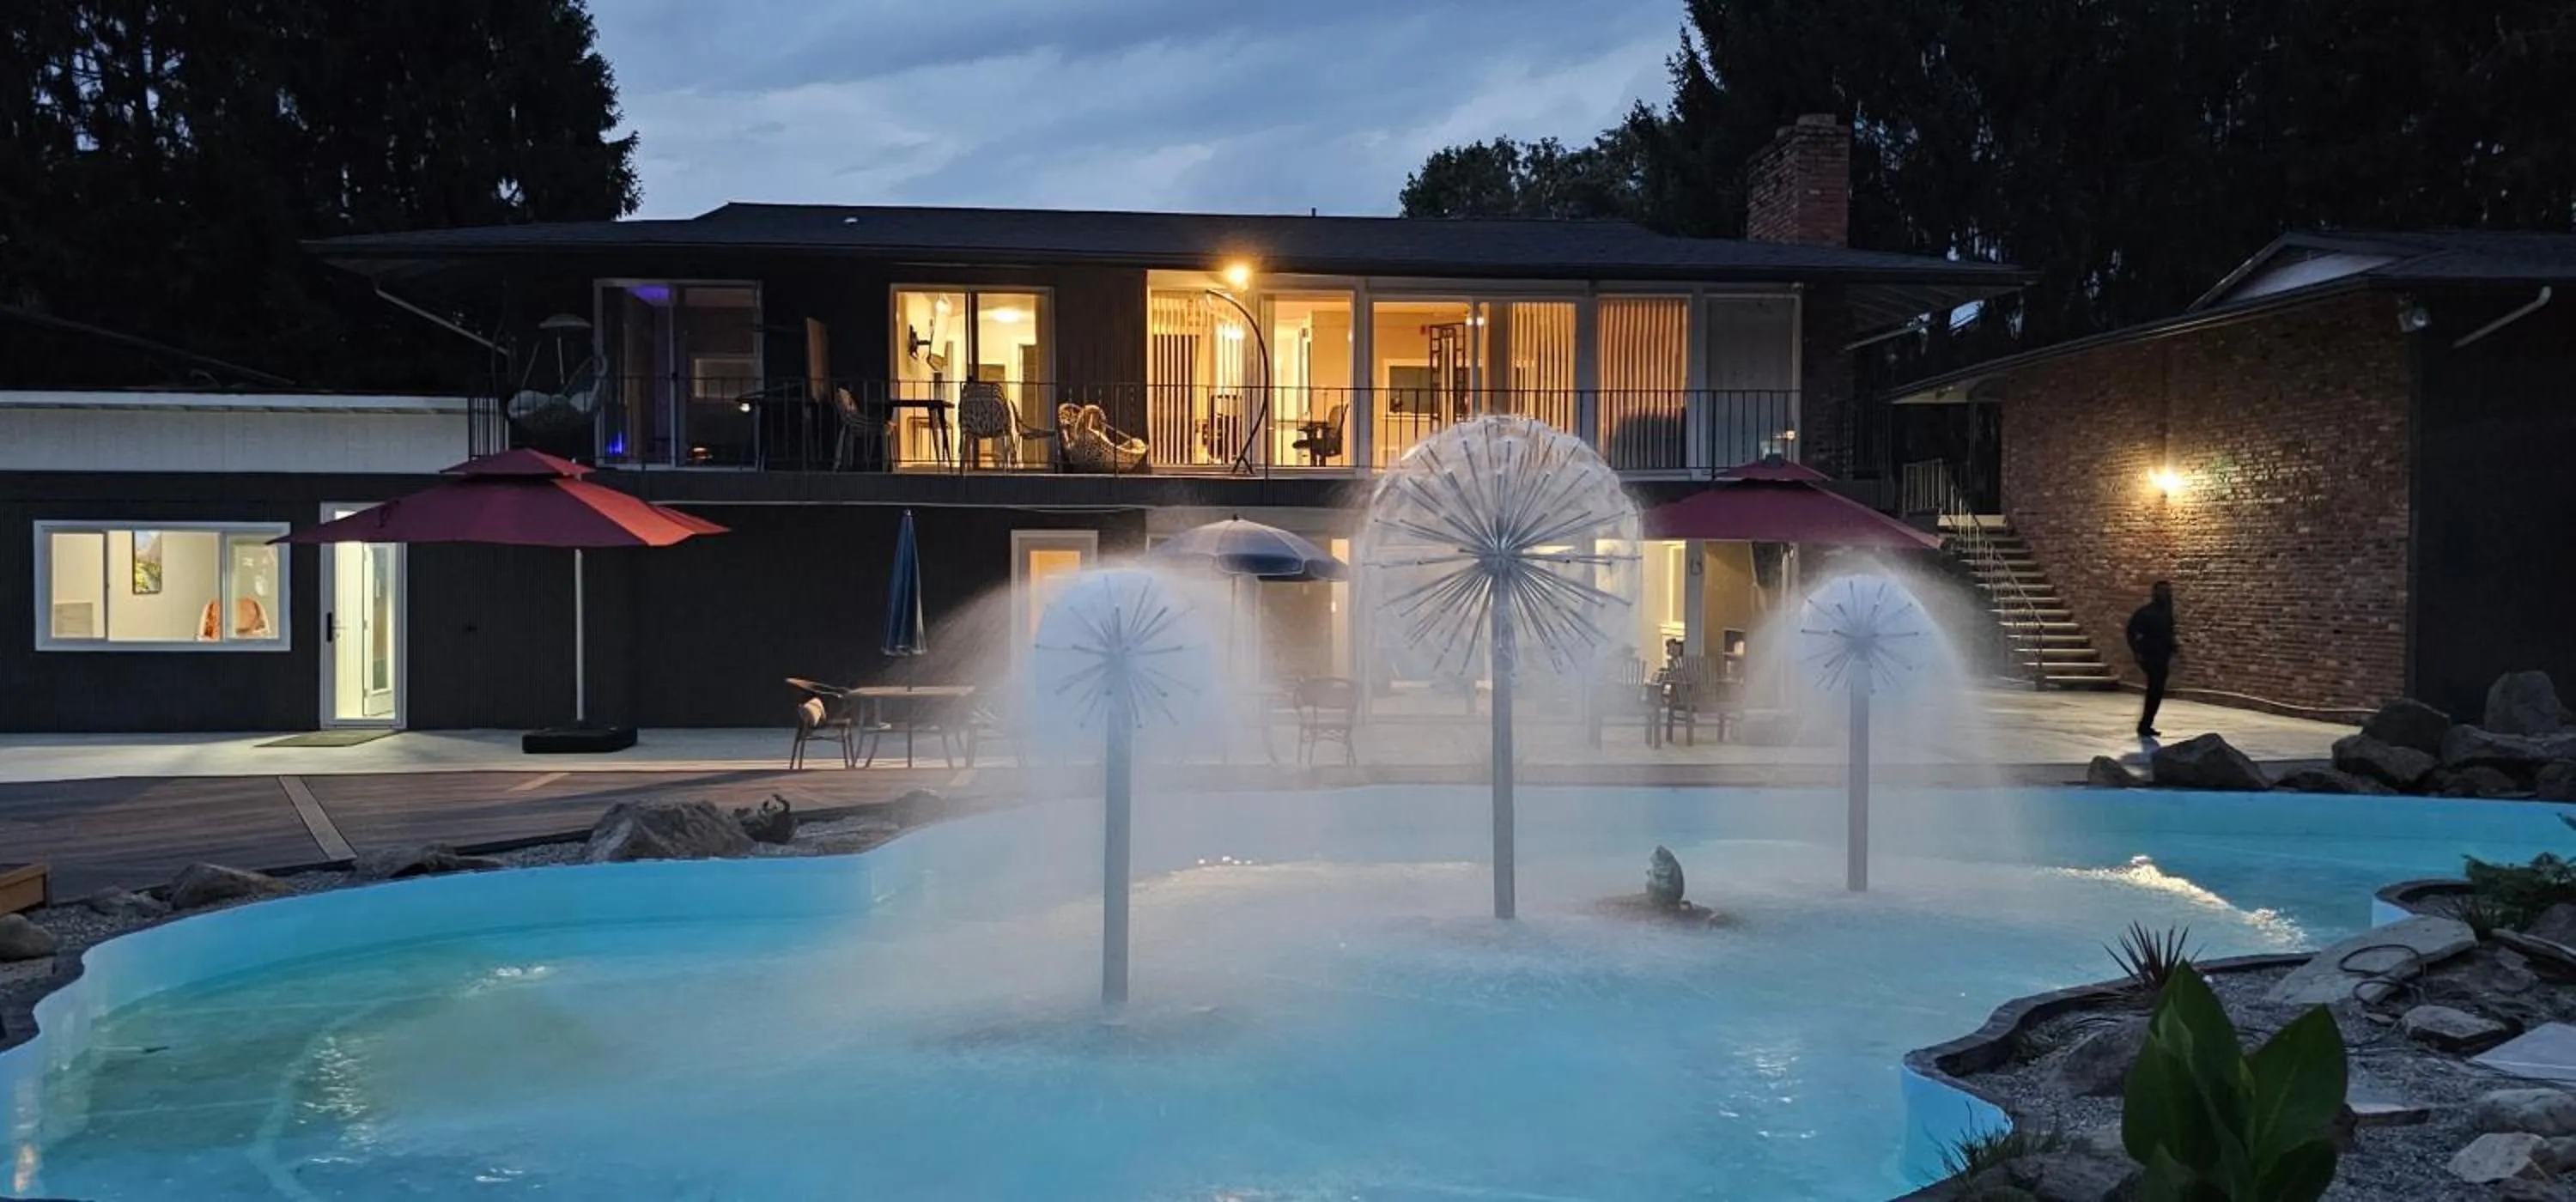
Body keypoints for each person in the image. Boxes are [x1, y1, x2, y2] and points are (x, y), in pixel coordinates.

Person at [2125, 581, 2179, 738]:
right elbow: (2132, 632)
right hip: (2151, 655)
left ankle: (2146, 724)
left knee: (2156, 691)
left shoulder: (2166, 613)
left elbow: (2168, 633)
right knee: (2155, 689)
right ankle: (2145, 724)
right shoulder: (2146, 613)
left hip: (2162, 655)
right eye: (2163, 591)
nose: (2166, 595)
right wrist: (2138, 651)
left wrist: (2173, 647)